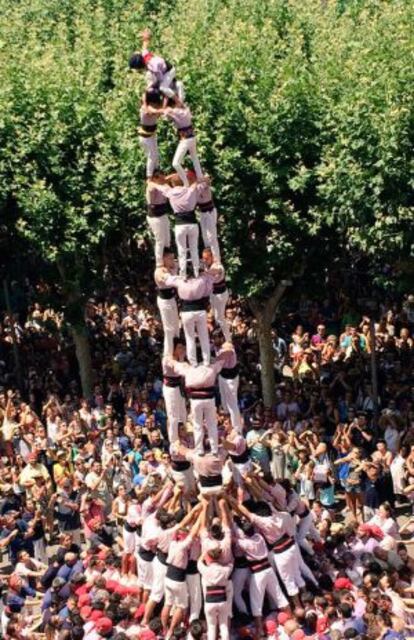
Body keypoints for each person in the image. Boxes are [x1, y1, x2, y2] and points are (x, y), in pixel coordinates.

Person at [153, 173, 208, 278]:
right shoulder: (190, 190)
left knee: (181, 250)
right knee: (194, 249)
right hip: (192, 223)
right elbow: (204, 182)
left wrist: (166, 178)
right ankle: (196, 271)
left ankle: (183, 273)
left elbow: (158, 185)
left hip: (180, 225)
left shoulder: (170, 192)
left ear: (173, 183)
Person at [161, 270, 214, 366]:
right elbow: (208, 291)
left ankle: (193, 363)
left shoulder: (180, 280)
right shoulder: (202, 279)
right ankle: (206, 361)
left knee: (190, 339)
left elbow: (167, 280)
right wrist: (205, 274)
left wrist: (168, 272)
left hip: (187, 311)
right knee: (204, 337)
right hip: (200, 309)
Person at [129, 28, 183, 102]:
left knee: (163, 88)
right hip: (163, 70)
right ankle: (176, 87)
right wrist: (145, 36)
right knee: (155, 83)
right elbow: (145, 44)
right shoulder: (144, 55)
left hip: (169, 71)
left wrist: (152, 86)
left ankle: (179, 102)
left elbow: (159, 79)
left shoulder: (153, 66)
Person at [162, 102, 203, 185]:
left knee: (175, 163)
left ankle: (186, 183)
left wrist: (165, 103)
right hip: (192, 137)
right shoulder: (185, 109)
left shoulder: (173, 111)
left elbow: (164, 116)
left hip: (185, 139)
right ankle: (200, 177)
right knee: (194, 158)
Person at [154, 248, 180, 356]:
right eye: (170, 258)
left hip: (172, 299)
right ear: (163, 259)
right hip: (164, 301)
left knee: (176, 326)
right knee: (168, 329)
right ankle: (168, 354)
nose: (172, 260)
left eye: (173, 258)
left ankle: (177, 348)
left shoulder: (173, 267)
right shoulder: (159, 271)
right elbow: (163, 279)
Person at [202, 248, 231, 342]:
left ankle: (228, 339)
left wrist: (204, 273)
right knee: (214, 316)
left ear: (212, 257)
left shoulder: (218, 266)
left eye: (206, 258)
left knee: (220, 317)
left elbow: (217, 270)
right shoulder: (205, 266)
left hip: (221, 295)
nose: (204, 260)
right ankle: (218, 336)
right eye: (203, 258)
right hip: (213, 294)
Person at [146, 172, 171, 267]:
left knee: (167, 239)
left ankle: (168, 258)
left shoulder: (163, 186)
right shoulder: (151, 186)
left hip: (163, 215)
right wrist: (151, 181)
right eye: (161, 178)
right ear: (155, 178)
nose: (163, 179)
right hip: (155, 217)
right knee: (160, 240)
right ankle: (159, 264)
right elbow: (151, 186)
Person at [139, 89, 162, 178]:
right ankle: (149, 177)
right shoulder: (145, 109)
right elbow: (152, 111)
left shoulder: (152, 108)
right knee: (152, 156)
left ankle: (156, 172)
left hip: (151, 136)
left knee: (156, 155)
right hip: (146, 138)